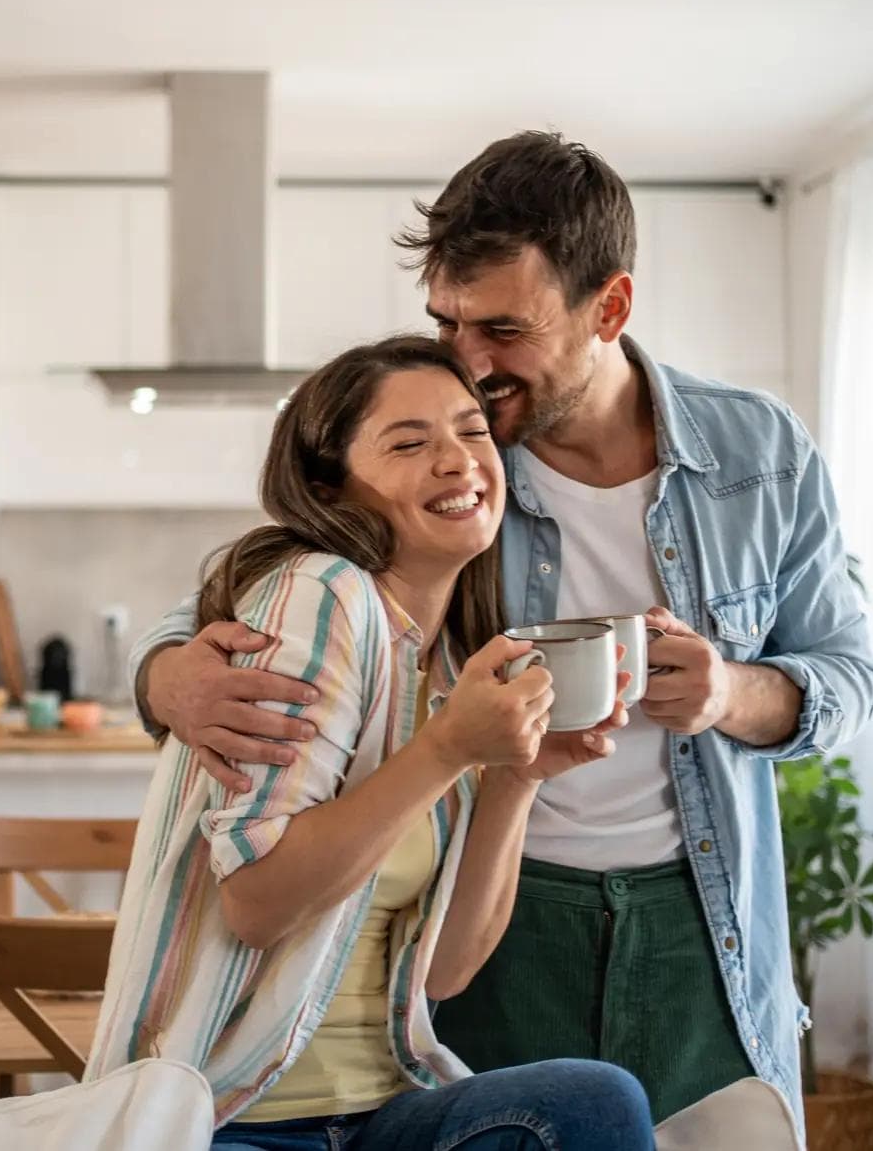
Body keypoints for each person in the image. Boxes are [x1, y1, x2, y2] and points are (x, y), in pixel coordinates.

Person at [133, 133, 873, 1131]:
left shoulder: (755, 450)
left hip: (698, 914)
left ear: (607, 307)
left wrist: (726, 694)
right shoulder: (453, 463)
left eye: (501, 329)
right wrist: (165, 679)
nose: (467, 364)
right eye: (444, 320)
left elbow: (848, 675)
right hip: (489, 911)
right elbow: (231, 603)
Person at [90, 334, 654, 1151]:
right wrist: (447, 751)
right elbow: (257, 902)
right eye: (410, 442)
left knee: (594, 1104)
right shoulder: (322, 594)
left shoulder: (453, 661)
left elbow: (449, 970)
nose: (458, 460)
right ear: (330, 487)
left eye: (471, 431)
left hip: (384, 1113)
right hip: (228, 1119)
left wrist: (516, 777)